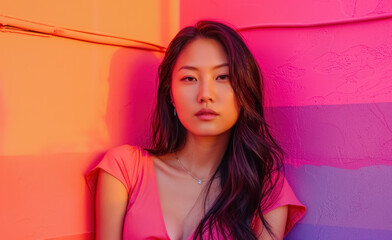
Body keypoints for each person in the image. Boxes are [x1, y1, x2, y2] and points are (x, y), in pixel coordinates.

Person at [86, 20, 305, 240]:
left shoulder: (266, 189)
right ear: (170, 93)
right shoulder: (125, 169)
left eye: (223, 77)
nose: (205, 94)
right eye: (189, 78)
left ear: (244, 89)